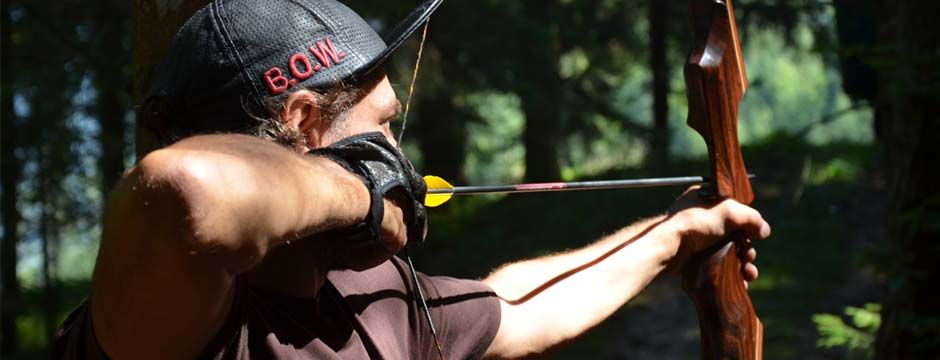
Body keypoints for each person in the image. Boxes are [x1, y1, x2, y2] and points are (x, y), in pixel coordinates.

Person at [53, 0, 771, 359]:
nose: (398, 149)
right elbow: (188, 189)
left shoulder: (374, 299)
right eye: (383, 126)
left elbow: (516, 303)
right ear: (303, 122)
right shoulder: (166, 315)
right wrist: (363, 196)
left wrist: (674, 235)